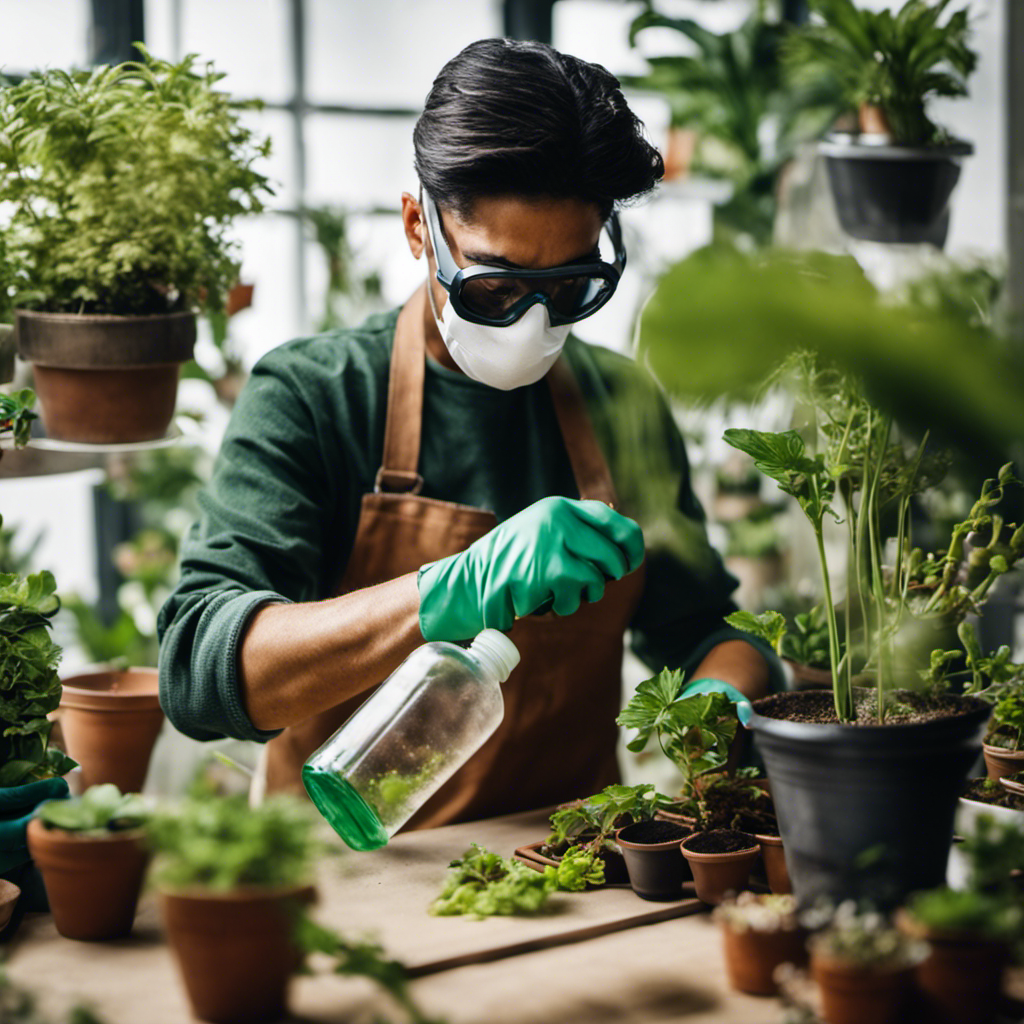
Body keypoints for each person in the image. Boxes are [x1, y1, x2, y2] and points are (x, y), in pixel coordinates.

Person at [157, 38, 781, 825]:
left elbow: (702, 631)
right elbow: (198, 678)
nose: (532, 321)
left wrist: (723, 692)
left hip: (570, 875)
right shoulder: (317, 397)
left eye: (572, 287)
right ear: (420, 229)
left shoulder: (620, 402)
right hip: (345, 883)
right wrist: (445, 593)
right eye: (495, 287)